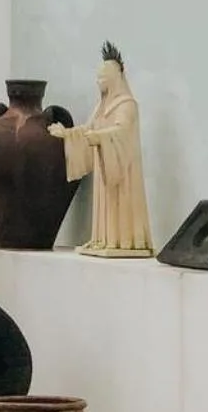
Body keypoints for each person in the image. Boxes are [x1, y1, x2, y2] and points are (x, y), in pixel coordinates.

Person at [49, 42, 154, 256]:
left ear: (114, 78)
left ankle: (124, 241)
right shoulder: (101, 106)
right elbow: (90, 127)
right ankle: (103, 239)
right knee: (105, 203)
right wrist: (67, 133)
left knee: (120, 202)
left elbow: (121, 132)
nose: (99, 83)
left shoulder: (127, 105)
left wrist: (97, 137)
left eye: (103, 78)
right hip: (105, 164)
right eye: (98, 78)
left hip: (122, 168)